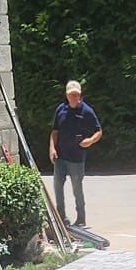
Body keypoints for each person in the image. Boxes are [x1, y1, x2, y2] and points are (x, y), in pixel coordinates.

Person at [48, 80, 101, 227]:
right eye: (71, 95)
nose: (74, 98)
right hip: (60, 157)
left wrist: (90, 141)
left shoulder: (87, 111)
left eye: (76, 95)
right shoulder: (61, 109)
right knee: (58, 187)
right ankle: (61, 218)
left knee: (77, 188)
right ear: (66, 95)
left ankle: (81, 218)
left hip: (76, 158)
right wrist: (52, 148)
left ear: (80, 95)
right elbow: (54, 132)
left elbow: (98, 131)